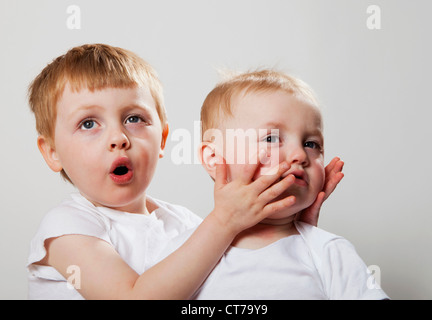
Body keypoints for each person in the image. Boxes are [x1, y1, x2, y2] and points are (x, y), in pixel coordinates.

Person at [26, 44, 338, 299]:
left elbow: (243, 286)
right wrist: (224, 221)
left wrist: (296, 231)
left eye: (134, 119)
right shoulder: (66, 228)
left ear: (161, 138)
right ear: (53, 152)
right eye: (88, 123)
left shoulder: (187, 226)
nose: (118, 138)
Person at [176, 69, 387, 299]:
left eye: (311, 143)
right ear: (215, 158)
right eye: (272, 138)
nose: (299, 154)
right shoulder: (182, 251)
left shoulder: (328, 251)